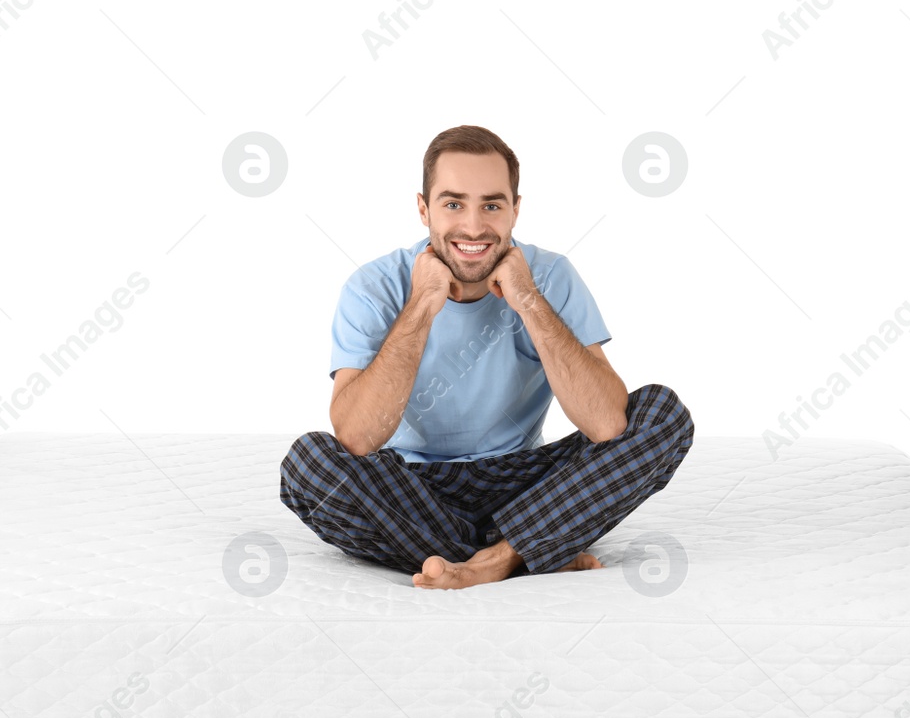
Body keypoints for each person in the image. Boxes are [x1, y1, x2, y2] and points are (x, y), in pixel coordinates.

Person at [279, 125, 694, 590]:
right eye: (453, 204)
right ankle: (534, 548)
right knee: (309, 464)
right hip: (409, 487)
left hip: (527, 480)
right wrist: (420, 305)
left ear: (516, 210)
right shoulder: (373, 287)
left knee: (663, 413)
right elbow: (355, 438)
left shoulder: (552, 276)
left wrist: (528, 299)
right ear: (423, 209)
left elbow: (606, 427)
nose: (473, 227)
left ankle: (492, 557)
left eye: (492, 206)